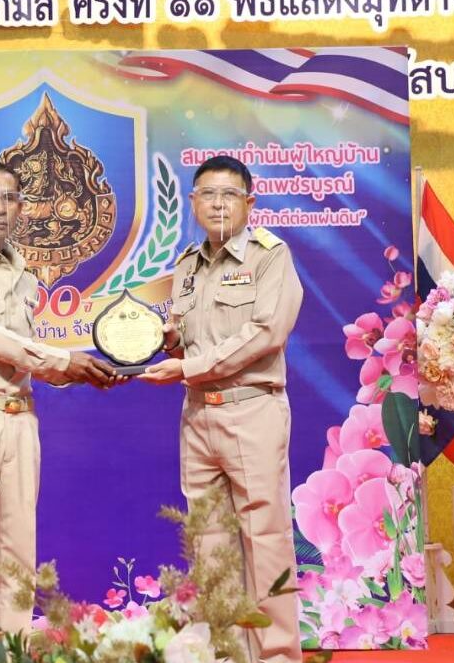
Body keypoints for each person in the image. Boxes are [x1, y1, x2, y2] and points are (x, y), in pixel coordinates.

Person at [0, 161, 120, 658]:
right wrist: (63, 360)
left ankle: (7, 653)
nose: (1, 208)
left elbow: (24, 354)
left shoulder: (24, 273)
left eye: (11, 198)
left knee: (17, 557)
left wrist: (80, 371)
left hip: (20, 419)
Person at [140, 154, 305, 663]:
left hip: (250, 409)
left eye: (229, 194)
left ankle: (278, 655)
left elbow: (265, 333)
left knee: (266, 538)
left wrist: (187, 367)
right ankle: (229, 652)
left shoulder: (269, 256)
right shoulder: (188, 265)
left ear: (249, 202)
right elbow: (187, 335)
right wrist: (165, 340)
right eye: (207, 194)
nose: (218, 204)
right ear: (192, 202)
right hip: (198, 415)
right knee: (209, 542)